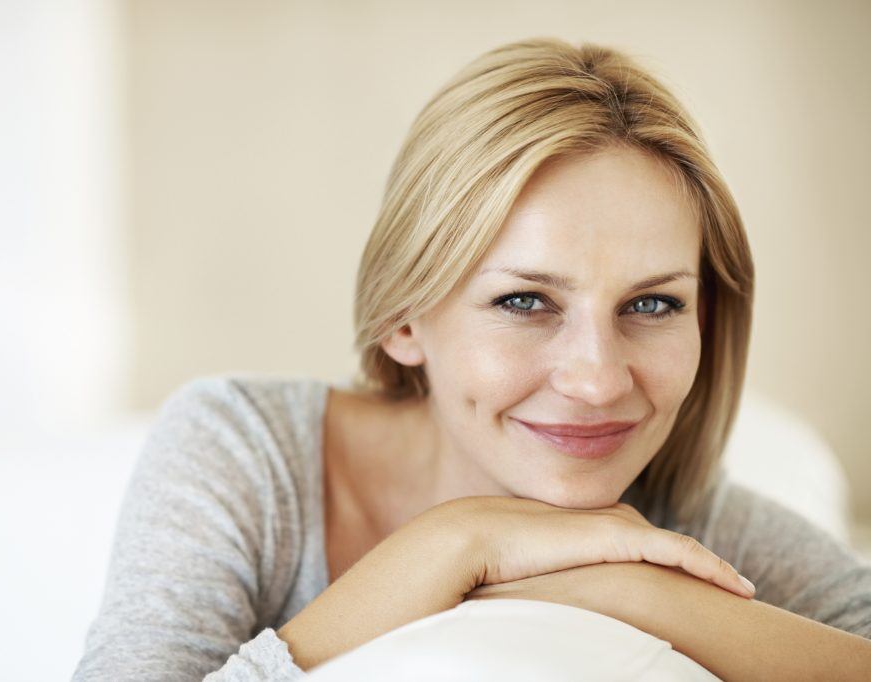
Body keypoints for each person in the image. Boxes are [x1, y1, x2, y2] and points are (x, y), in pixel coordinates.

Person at [72, 37, 871, 681]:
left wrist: (630, 589)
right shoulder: (247, 456)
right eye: (525, 302)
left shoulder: (684, 520)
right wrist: (454, 545)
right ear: (403, 318)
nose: (597, 380)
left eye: (652, 304)